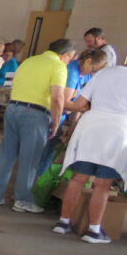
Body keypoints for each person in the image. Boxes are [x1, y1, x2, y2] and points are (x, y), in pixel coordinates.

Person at [0, 38, 76, 212]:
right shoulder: (58, 66)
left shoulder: (29, 61)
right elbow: (58, 98)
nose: (69, 62)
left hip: (13, 109)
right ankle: (23, 200)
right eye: (70, 58)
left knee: (6, 156)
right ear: (64, 55)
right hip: (35, 115)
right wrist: (56, 122)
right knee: (29, 160)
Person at [52, 63, 127, 243]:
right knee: (102, 185)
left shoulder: (104, 73)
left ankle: (63, 223)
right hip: (118, 131)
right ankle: (93, 231)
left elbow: (79, 104)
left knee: (78, 178)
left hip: (90, 127)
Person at [35, 48, 108, 178]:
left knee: (50, 151)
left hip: (61, 116)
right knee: (44, 151)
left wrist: (73, 126)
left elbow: (79, 101)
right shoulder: (72, 72)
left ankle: (38, 178)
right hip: (50, 114)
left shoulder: (85, 74)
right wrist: (84, 108)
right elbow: (65, 102)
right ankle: (35, 179)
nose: (93, 74)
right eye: (93, 70)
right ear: (88, 61)